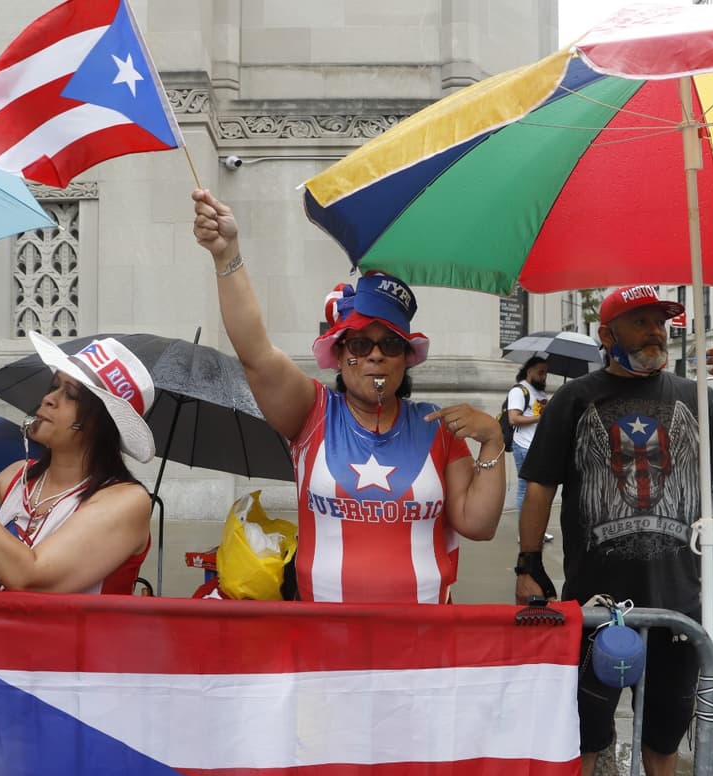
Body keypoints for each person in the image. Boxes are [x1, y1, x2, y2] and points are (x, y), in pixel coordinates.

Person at [514, 284, 713, 776]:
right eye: (640, 321)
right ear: (607, 335)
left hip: (678, 591)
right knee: (590, 717)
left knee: (669, 714)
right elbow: (540, 488)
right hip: (599, 598)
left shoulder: (696, 397)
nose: (655, 331)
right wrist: (528, 563)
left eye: (661, 321)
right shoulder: (575, 399)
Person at [191, 188, 505, 603]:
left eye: (390, 344)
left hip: (423, 646)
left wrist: (493, 441)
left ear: (406, 359)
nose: (375, 355)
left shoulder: (438, 427)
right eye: (359, 344)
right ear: (339, 356)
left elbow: (478, 525)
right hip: (324, 644)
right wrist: (226, 253)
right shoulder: (312, 413)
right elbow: (257, 354)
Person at [0, 332, 154, 593]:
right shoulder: (13, 477)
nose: (48, 398)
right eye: (54, 386)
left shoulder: (127, 500)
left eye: (71, 394)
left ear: (98, 423)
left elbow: (31, 579)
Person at [506, 356, 553, 539]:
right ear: (529, 371)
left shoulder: (540, 393)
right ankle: (524, 534)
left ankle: (536, 531)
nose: (544, 377)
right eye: (540, 372)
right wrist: (540, 418)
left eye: (546, 373)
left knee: (538, 490)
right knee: (525, 489)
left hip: (539, 446)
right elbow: (513, 418)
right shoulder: (519, 391)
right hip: (524, 445)